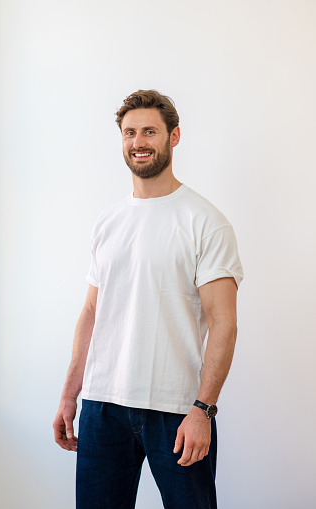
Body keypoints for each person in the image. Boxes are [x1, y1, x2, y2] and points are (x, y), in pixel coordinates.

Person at [53, 89, 244, 509]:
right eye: (130, 132)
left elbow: (224, 323)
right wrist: (71, 395)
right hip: (103, 407)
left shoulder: (206, 222)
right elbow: (91, 312)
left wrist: (203, 410)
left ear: (174, 137)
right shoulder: (108, 222)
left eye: (150, 132)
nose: (138, 141)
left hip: (176, 410)